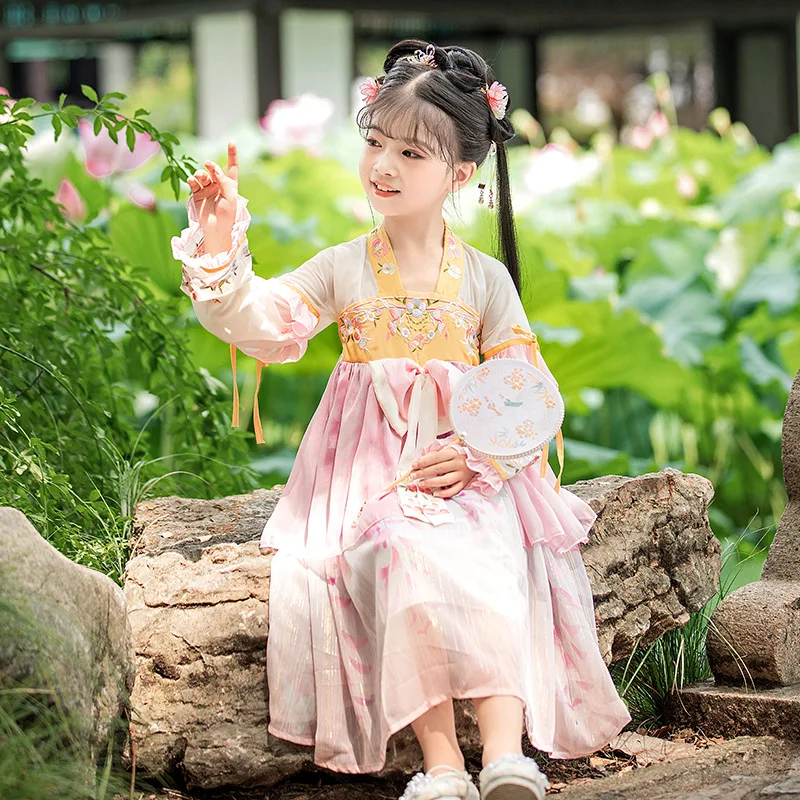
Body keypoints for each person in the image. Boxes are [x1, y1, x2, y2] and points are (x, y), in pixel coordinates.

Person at [172, 39, 630, 800]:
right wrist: (219, 243)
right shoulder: (344, 266)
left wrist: (482, 461)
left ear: (460, 174)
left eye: (411, 153)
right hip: (366, 480)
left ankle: (506, 758)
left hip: (462, 473)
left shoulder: (484, 281)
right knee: (397, 552)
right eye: (376, 142)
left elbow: (526, 391)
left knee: (490, 554)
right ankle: (443, 764)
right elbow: (260, 323)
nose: (383, 165)